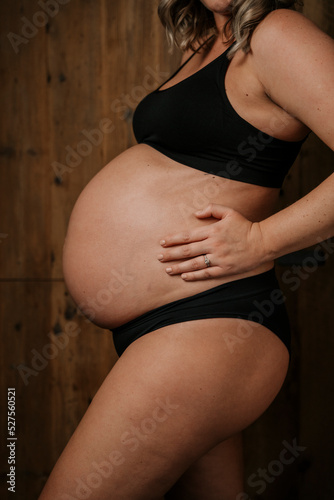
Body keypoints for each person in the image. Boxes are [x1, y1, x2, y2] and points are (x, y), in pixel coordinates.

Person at [39, 0, 334, 499]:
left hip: (209, 322)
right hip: (172, 326)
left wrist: (263, 240)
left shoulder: (278, 32)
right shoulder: (212, 40)